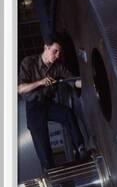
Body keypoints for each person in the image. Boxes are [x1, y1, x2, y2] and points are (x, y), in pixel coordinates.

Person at [18, 37, 86, 171]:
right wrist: (41, 82)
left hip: (47, 104)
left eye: (59, 53)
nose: (57, 55)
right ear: (46, 47)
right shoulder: (28, 62)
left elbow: (72, 80)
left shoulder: (57, 67)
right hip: (33, 108)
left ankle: (81, 149)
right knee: (43, 148)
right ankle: (50, 172)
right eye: (55, 51)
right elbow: (20, 88)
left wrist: (86, 81)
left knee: (67, 114)